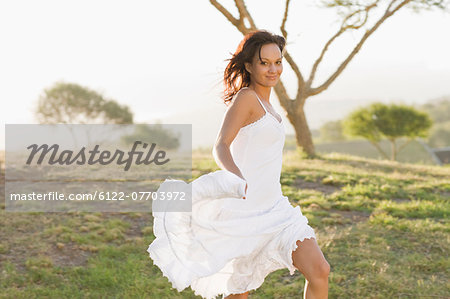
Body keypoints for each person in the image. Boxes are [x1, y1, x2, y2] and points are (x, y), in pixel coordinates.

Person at [147, 29, 330, 299]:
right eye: (264, 63)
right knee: (239, 294)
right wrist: (236, 177)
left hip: (277, 209)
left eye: (277, 62)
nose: (273, 69)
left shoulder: (270, 106)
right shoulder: (246, 98)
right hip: (244, 214)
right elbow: (220, 144)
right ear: (248, 65)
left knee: (319, 270)